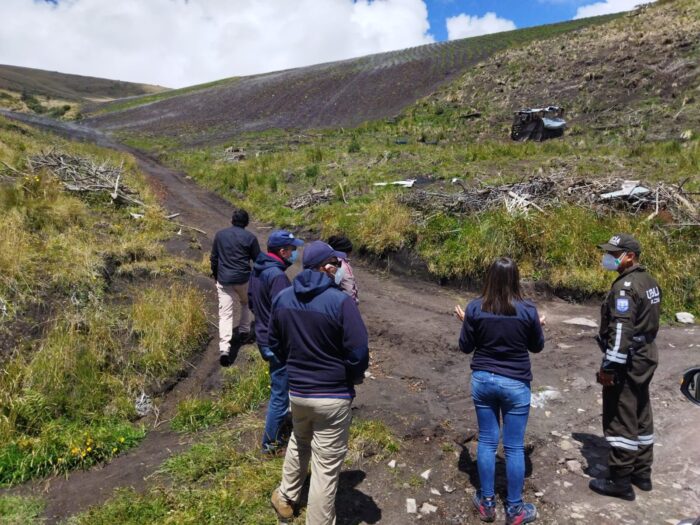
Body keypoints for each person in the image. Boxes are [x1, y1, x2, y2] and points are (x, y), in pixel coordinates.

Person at [268, 241, 369, 525]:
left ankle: (286, 497)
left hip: (298, 392)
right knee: (325, 467)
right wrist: (351, 375)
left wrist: (295, 365)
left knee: (299, 440)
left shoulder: (284, 298)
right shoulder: (340, 302)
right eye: (336, 265)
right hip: (333, 395)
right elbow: (359, 352)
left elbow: (274, 344)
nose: (339, 270)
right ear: (325, 267)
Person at [455, 257, 545, 525]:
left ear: (489, 278)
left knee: (487, 441)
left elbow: (465, 347)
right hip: (515, 382)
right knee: (515, 447)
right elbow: (536, 347)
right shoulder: (528, 310)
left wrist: (467, 321)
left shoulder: (475, 308)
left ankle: (487, 503)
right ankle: (515, 509)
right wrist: (537, 325)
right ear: (515, 278)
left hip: (483, 380)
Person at [589, 233, 661, 501]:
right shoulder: (649, 282)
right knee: (641, 410)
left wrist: (610, 365)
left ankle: (620, 480)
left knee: (620, 415)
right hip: (646, 354)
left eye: (613, 253)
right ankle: (642, 473)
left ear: (629, 256)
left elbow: (621, 329)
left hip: (628, 358)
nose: (608, 257)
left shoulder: (625, 287)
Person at [248, 230, 304, 454]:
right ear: (282, 252)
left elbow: (251, 302)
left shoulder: (259, 269)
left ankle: (282, 431)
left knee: (280, 389)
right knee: (280, 395)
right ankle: (270, 444)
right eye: (292, 250)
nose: (294, 254)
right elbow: (286, 312)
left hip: (263, 335)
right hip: (277, 341)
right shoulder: (278, 277)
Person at [210, 208, 260, 366]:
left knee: (225, 314)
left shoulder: (220, 235)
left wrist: (216, 275)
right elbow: (258, 260)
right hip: (243, 279)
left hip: (224, 279)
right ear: (246, 223)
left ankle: (224, 348)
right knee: (245, 303)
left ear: (232, 220)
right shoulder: (250, 237)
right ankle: (244, 331)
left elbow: (214, 258)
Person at [327, 235, 359, 304]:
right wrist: (353, 303)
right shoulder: (344, 266)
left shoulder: (325, 261)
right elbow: (349, 289)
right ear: (347, 252)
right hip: (340, 303)